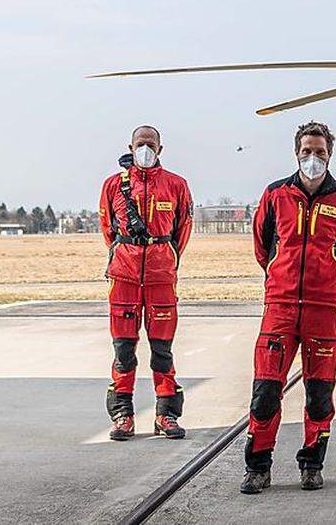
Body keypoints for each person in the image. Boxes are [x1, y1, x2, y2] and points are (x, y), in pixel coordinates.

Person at [240, 121, 336, 494]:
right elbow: (263, 246)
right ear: (296, 153)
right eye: (307, 152)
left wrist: (329, 279)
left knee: (319, 393)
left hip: (324, 309)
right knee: (265, 392)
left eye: (320, 152)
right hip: (279, 307)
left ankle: (312, 463)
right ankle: (258, 467)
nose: (313, 158)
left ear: (330, 155)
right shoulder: (275, 194)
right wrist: (281, 277)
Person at [98, 125, 194, 440]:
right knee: (123, 350)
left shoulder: (177, 185)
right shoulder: (113, 186)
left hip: (161, 278)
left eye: (150, 144)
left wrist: (164, 256)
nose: (145, 149)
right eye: (140, 144)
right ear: (131, 146)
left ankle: (166, 415)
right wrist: (126, 253)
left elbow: (183, 229)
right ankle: (123, 415)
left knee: (162, 350)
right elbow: (108, 229)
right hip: (124, 277)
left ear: (160, 149)